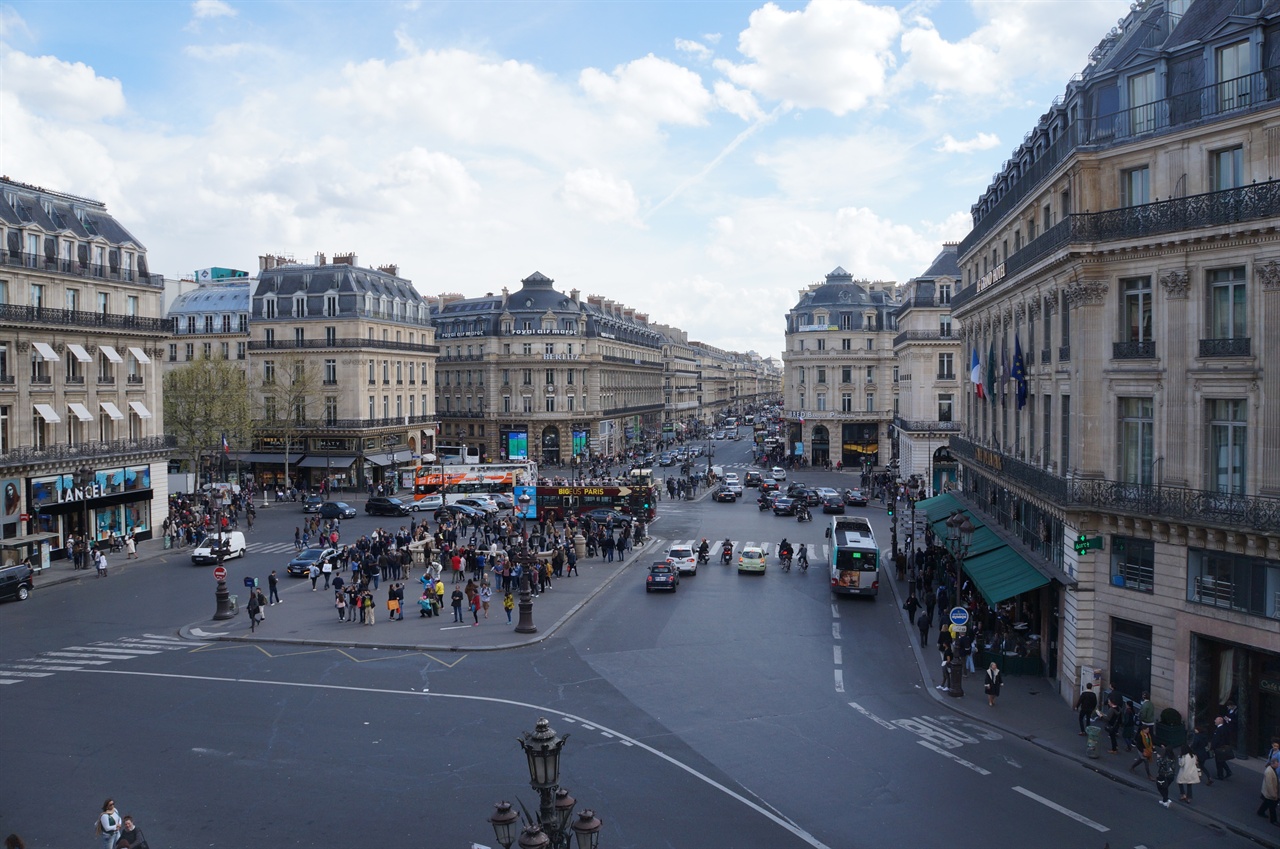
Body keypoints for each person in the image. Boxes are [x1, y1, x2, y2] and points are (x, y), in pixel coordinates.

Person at [1212, 715, 1235, 780]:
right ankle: (1228, 771)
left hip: (1219, 747)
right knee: (1221, 760)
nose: (1215, 721)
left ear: (1219, 721)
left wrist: (1213, 747)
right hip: (1222, 747)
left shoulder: (1220, 729)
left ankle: (1220, 775)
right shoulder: (1224, 728)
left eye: (1216, 720)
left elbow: (1216, 739)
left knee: (1219, 762)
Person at [1259, 759, 1279, 825]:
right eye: (1277, 763)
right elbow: (1269, 784)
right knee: (1272, 806)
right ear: (1273, 763)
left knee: (1266, 803)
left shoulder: (1271, 769)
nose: (1278, 764)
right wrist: (1273, 794)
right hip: (1270, 793)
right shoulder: (1269, 772)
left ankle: (1260, 812)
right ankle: (1273, 820)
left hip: (1269, 792)